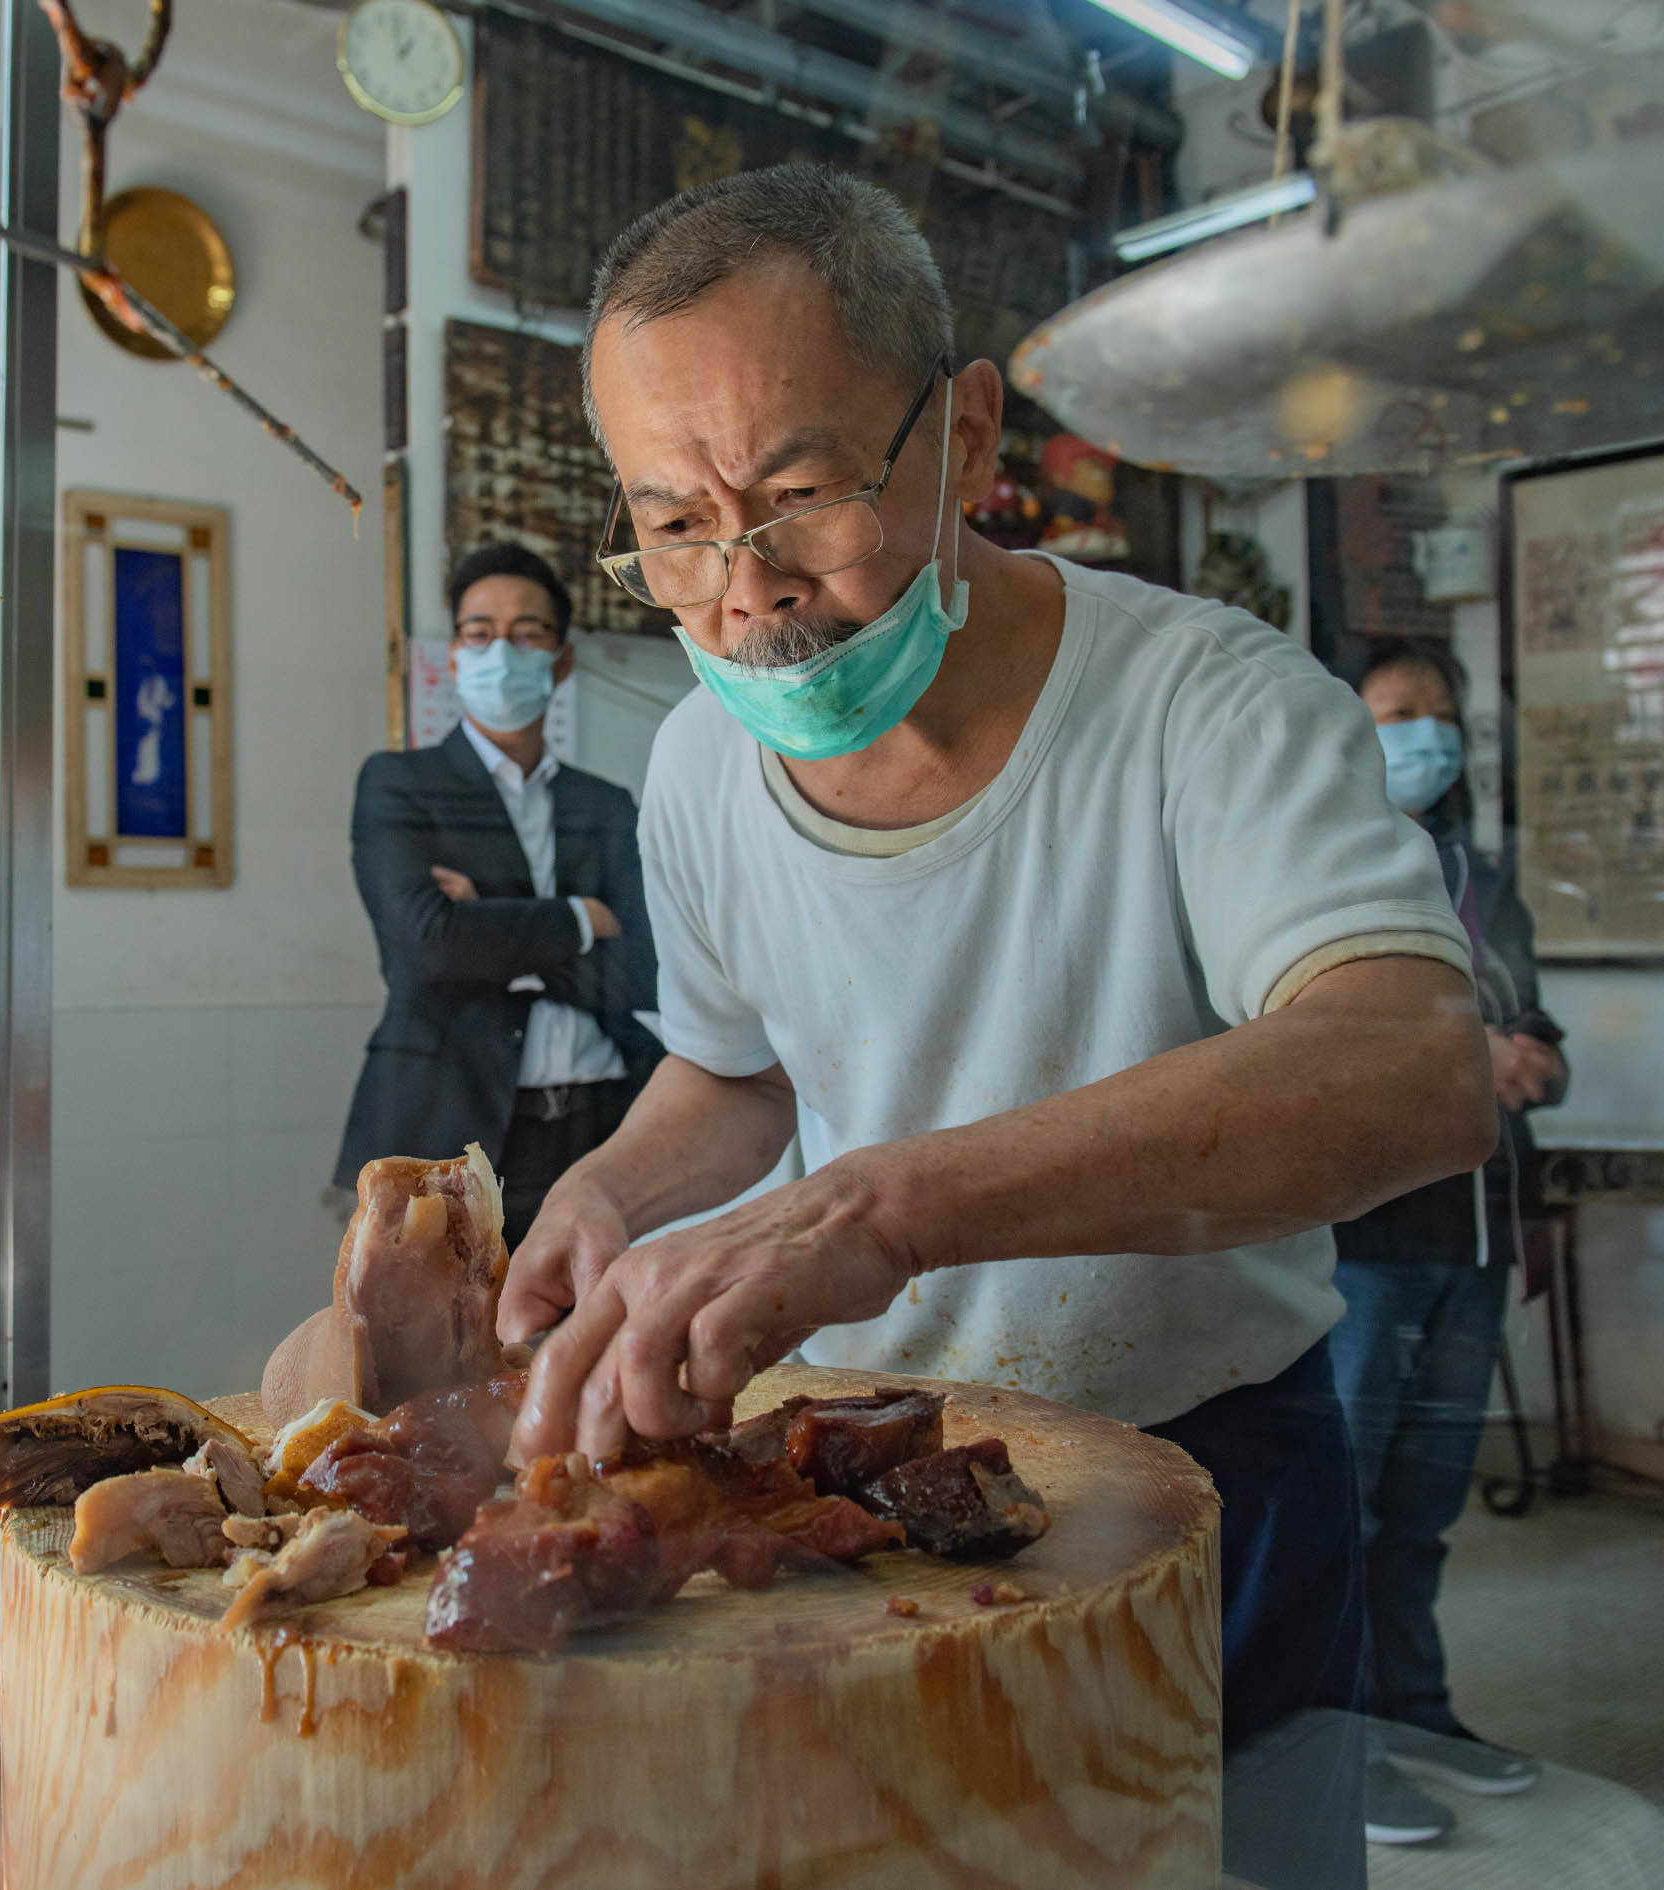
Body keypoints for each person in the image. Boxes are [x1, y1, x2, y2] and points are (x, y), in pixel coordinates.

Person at [495, 165, 1497, 1890]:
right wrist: (614, 1193)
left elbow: (1414, 1068)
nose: (746, 592)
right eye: (672, 523)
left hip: (1204, 1478)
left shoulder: (1207, 707)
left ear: (963, 439)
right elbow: (732, 1076)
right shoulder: (697, 769)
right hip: (858, 1487)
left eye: (798, 494)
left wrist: (880, 1210)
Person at [1331, 640, 1568, 1846]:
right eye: (1399, 714)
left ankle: (1419, 1716)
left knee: (1424, 1508)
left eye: (1442, 713)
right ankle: (1340, 1750)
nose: (1429, 735)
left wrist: (1534, 1049)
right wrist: (1478, 1054)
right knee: (1347, 1509)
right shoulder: (1325, 859)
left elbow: (1529, 1012)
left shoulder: (1481, 872)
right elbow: (1301, 1034)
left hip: (1476, 1232)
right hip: (1368, 1239)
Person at [335, 541, 663, 1242]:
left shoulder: (604, 805)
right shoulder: (400, 783)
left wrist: (490, 924)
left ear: (562, 659)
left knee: (600, 1343)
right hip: (447, 1123)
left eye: (526, 634)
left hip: (606, 1121)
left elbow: (647, 967)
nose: (501, 652)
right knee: (435, 1345)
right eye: (479, 633)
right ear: (454, 656)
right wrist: (582, 917)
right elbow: (427, 948)